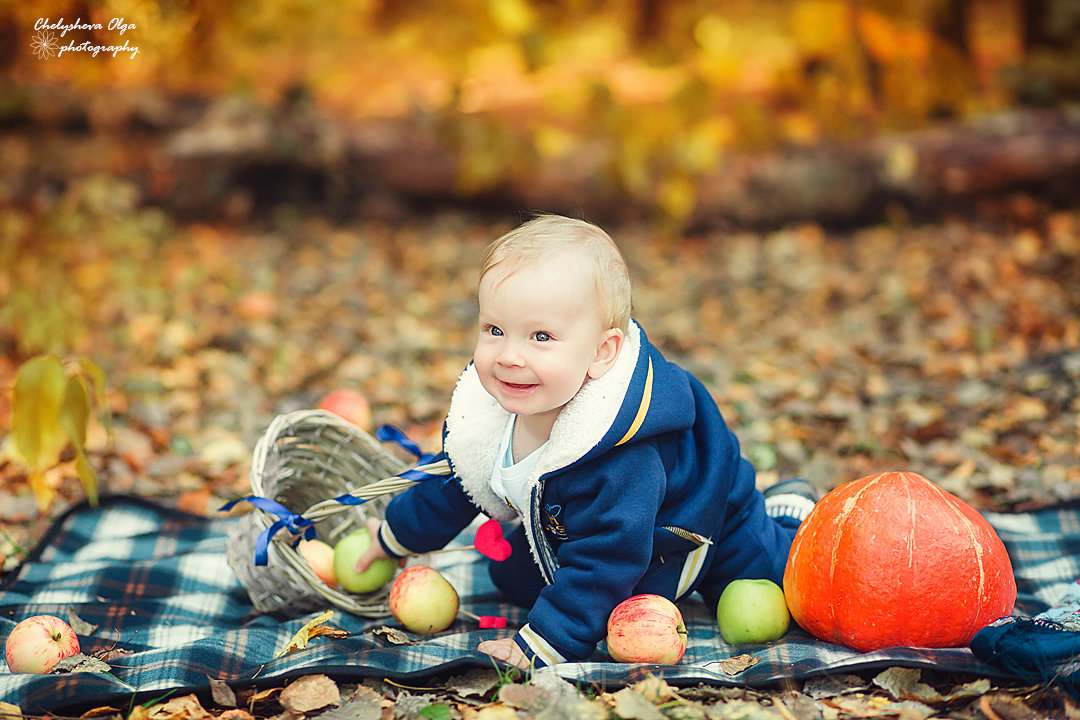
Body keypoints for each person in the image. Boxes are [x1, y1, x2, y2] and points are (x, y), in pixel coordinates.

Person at [354, 214, 815, 668]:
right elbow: (458, 480)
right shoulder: (497, 411)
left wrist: (542, 643)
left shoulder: (620, 459)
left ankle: (786, 511)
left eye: (540, 336)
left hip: (696, 525)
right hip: (581, 526)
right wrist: (394, 537)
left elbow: (608, 556)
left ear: (601, 353)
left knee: (786, 581)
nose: (509, 356)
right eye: (494, 330)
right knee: (510, 579)